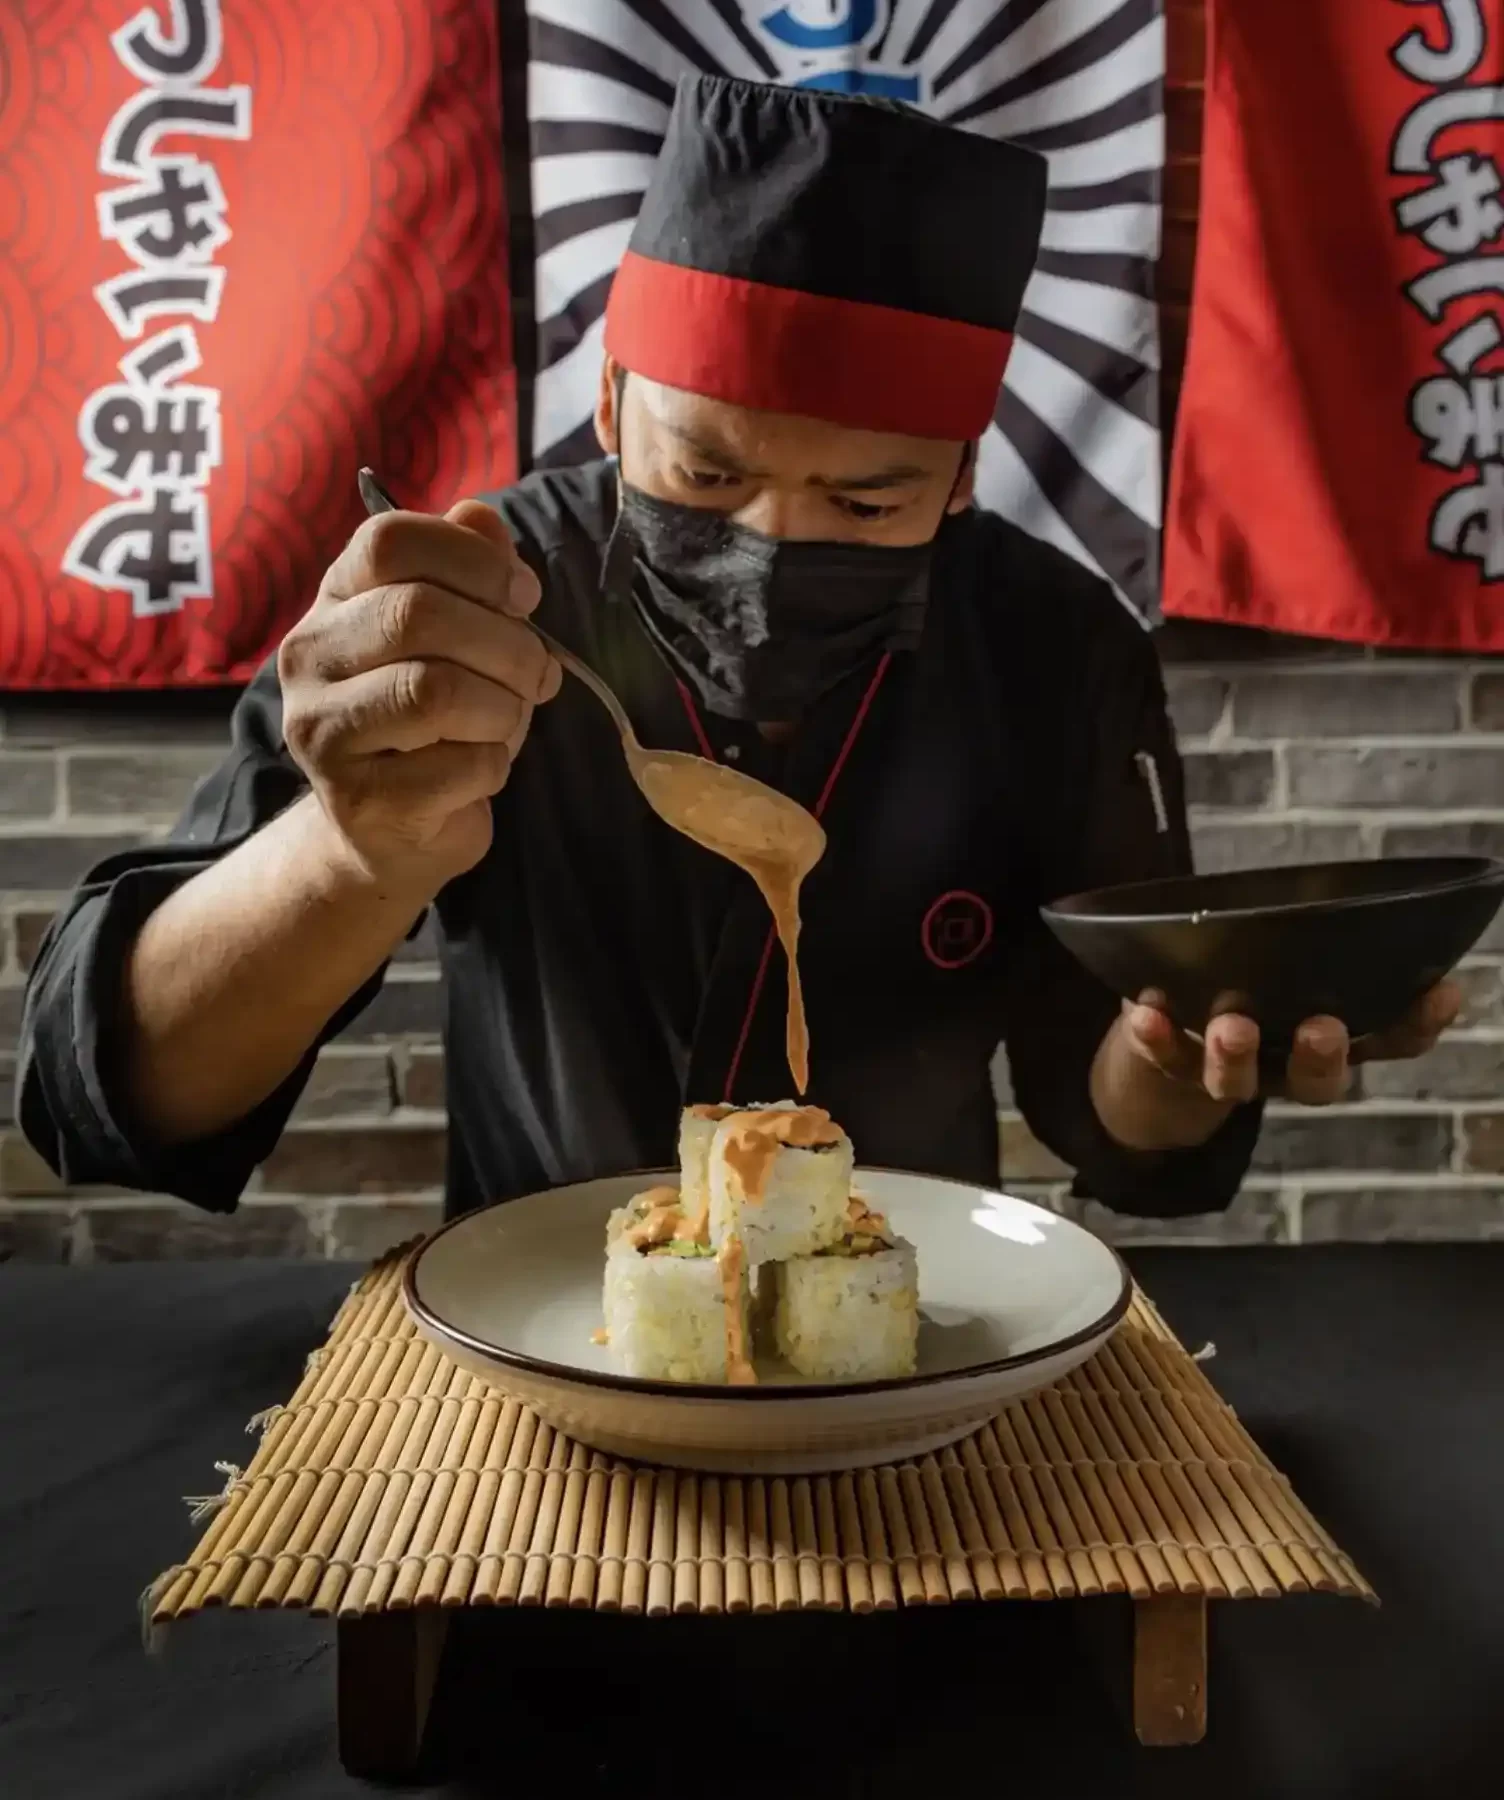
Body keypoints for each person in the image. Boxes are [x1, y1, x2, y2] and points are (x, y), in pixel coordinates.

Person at [17, 75, 1456, 1224]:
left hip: (901, 1342)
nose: (773, 541)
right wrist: (355, 851)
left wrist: (1180, 1057)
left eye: (867, 499)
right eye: (706, 479)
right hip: (534, 1355)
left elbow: (1132, 1145)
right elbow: (120, 1098)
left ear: (960, 478)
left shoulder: (1053, 644)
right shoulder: (467, 598)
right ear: (615, 397)